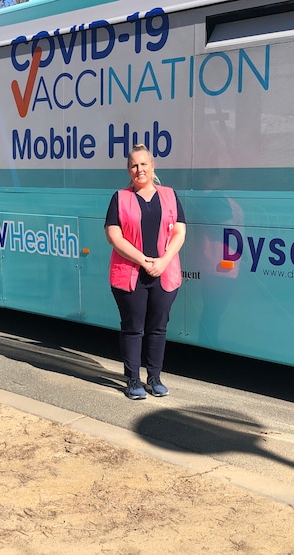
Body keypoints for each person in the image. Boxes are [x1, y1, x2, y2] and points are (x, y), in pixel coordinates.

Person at [104, 143, 186, 399]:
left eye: (143, 164)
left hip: (164, 273)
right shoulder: (120, 197)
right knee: (132, 328)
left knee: (158, 328)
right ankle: (133, 381)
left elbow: (180, 232)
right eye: (134, 165)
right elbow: (113, 236)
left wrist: (162, 261)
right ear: (129, 170)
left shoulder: (170, 195)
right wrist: (143, 260)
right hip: (130, 274)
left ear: (153, 166)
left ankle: (154, 377)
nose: (139, 169)